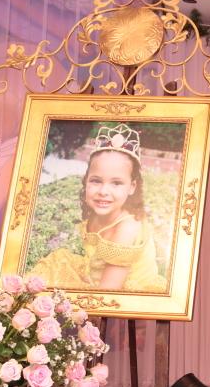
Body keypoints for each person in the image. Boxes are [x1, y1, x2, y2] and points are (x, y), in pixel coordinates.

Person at [31, 123, 167, 292]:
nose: (103, 191)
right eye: (96, 181)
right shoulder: (98, 214)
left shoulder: (127, 229)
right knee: (51, 271)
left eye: (116, 183)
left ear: (132, 187)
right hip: (98, 278)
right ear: (86, 180)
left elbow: (108, 291)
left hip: (120, 291)